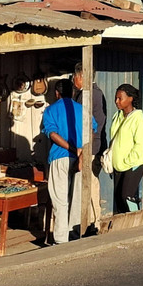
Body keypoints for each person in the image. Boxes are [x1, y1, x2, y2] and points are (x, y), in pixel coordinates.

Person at [42, 78, 86, 243]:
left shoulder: (50, 110)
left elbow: (52, 134)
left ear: (56, 93)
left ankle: (61, 239)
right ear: (73, 92)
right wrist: (82, 151)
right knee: (76, 198)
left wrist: (71, 148)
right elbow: (93, 130)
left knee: (60, 200)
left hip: (60, 157)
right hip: (81, 158)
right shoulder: (82, 109)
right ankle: (74, 234)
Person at [110, 83, 143, 214]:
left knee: (126, 196)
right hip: (118, 165)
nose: (117, 101)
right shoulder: (117, 116)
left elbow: (139, 145)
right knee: (118, 198)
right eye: (116, 98)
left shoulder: (138, 119)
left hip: (133, 164)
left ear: (130, 99)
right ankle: (121, 228)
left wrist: (127, 161)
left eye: (120, 98)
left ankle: (136, 221)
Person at [84, 82, 107, 235]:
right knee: (92, 183)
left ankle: (94, 221)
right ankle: (93, 220)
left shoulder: (89, 94)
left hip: (92, 146)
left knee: (91, 184)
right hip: (97, 144)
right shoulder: (97, 93)